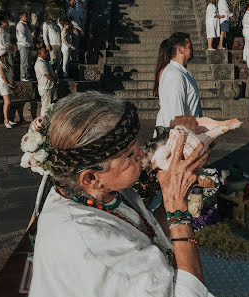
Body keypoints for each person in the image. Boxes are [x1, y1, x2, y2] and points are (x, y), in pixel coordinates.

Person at [28, 91, 214, 297]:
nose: (141, 154)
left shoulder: (100, 193)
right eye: (128, 155)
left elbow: (147, 231)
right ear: (90, 179)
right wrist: (177, 209)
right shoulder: (92, 245)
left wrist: (174, 194)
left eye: (135, 144)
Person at [155, 32, 202, 129]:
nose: (192, 49)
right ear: (180, 49)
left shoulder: (185, 73)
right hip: (177, 137)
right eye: (190, 46)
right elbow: (177, 117)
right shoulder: (175, 75)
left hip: (191, 132)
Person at [0, 48, 17, 128]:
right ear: (3, 56)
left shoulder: (7, 63)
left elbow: (11, 75)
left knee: (9, 103)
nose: (8, 56)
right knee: (7, 102)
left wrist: (13, 82)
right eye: (6, 55)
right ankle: (6, 120)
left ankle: (8, 119)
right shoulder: (0, 64)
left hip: (9, 84)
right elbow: (2, 76)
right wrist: (9, 84)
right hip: (4, 85)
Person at [35, 47, 58, 116]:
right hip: (45, 87)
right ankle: (43, 122)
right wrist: (55, 80)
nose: (47, 53)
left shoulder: (45, 62)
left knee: (50, 106)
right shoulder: (40, 63)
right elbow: (47, 75)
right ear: (40, 54)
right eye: (45, 52)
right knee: (46, 106)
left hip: (49, 86)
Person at [16, 12, 33, 81]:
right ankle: (23, 76)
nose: (26, 18)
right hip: (23, 45)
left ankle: (27, 75)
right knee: (24, 61)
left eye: (27, 16)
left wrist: (31, 43)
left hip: (27, 45)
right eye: (25, 16)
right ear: (21, 17)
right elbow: (22, 36)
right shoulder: (20, 25)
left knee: (28, 62)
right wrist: (29, 44)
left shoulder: (25, 25)